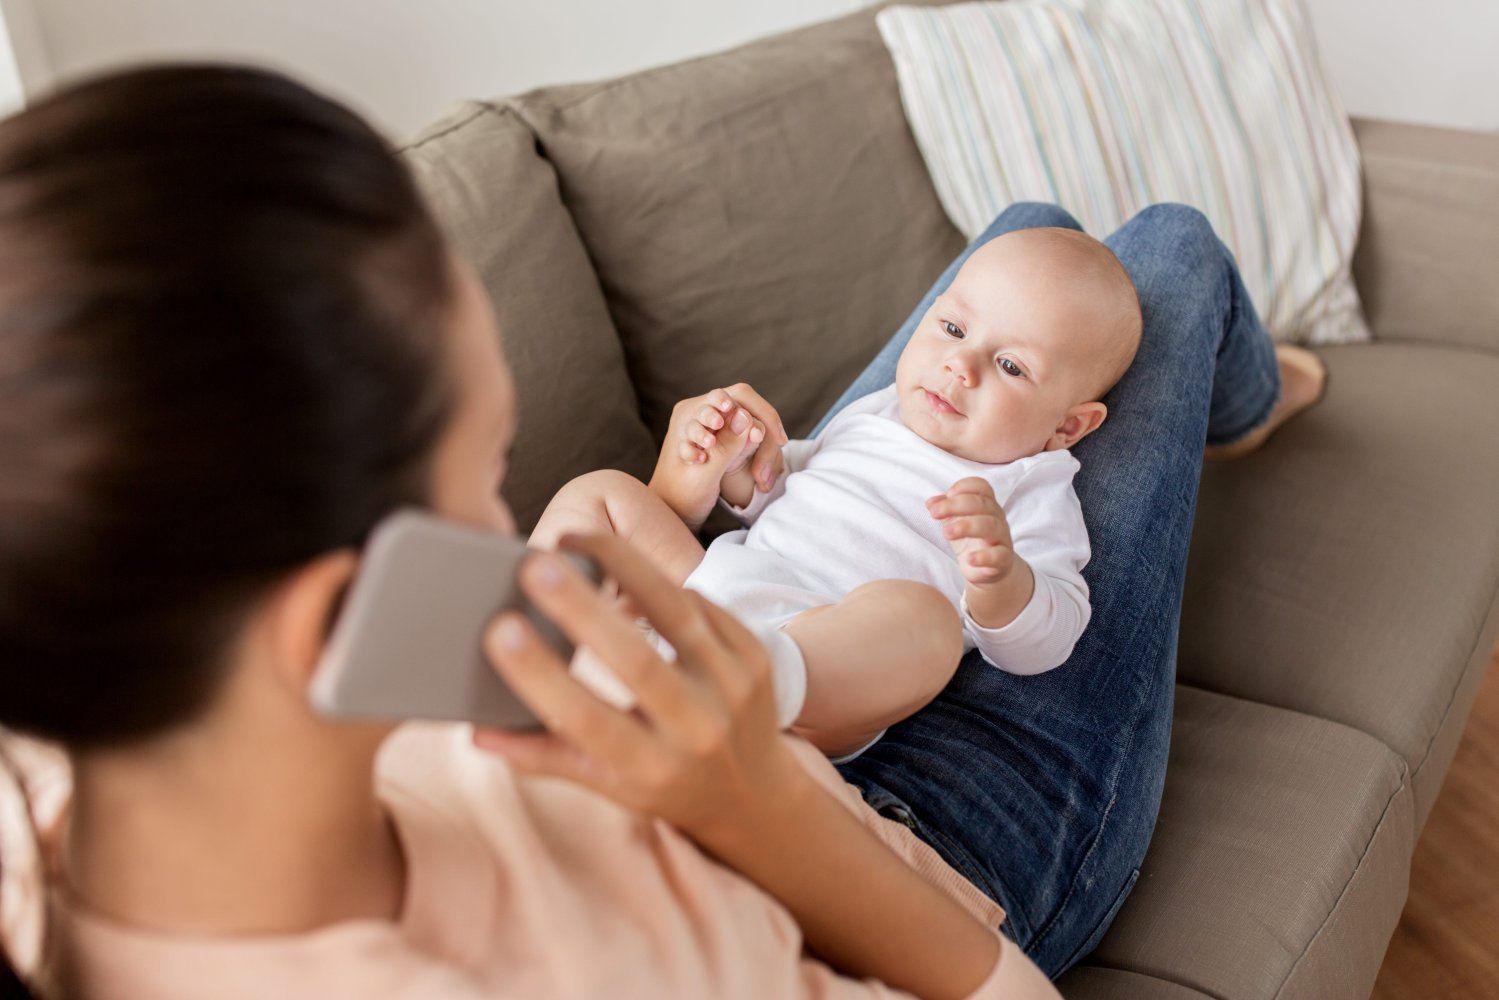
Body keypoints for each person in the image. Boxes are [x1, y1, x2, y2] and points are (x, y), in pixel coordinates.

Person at [0, 64, 1324, 999]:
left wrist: (707, 494)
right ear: (323, 610)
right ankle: (1253, 392)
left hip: (760, 621)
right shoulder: (619, 946)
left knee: (1034, 240)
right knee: (1172, 254)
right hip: (908, 826)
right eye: (479, 478)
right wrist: (759, 802)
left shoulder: (56, 790)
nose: (500, 530)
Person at [529, 228, 1144, 759]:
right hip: (710, 590)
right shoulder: (879, 412)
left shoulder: (1031, 487)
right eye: (953, 327)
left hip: (815, 661)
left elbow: (1050, 640)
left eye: (1011, 366)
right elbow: (794, 486)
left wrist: (1001, 578)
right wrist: (737, 464)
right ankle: (533, 622)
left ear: (1066, 428)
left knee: (924, 621)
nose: (961, 365)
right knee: (605, 493)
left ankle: (742, 692)